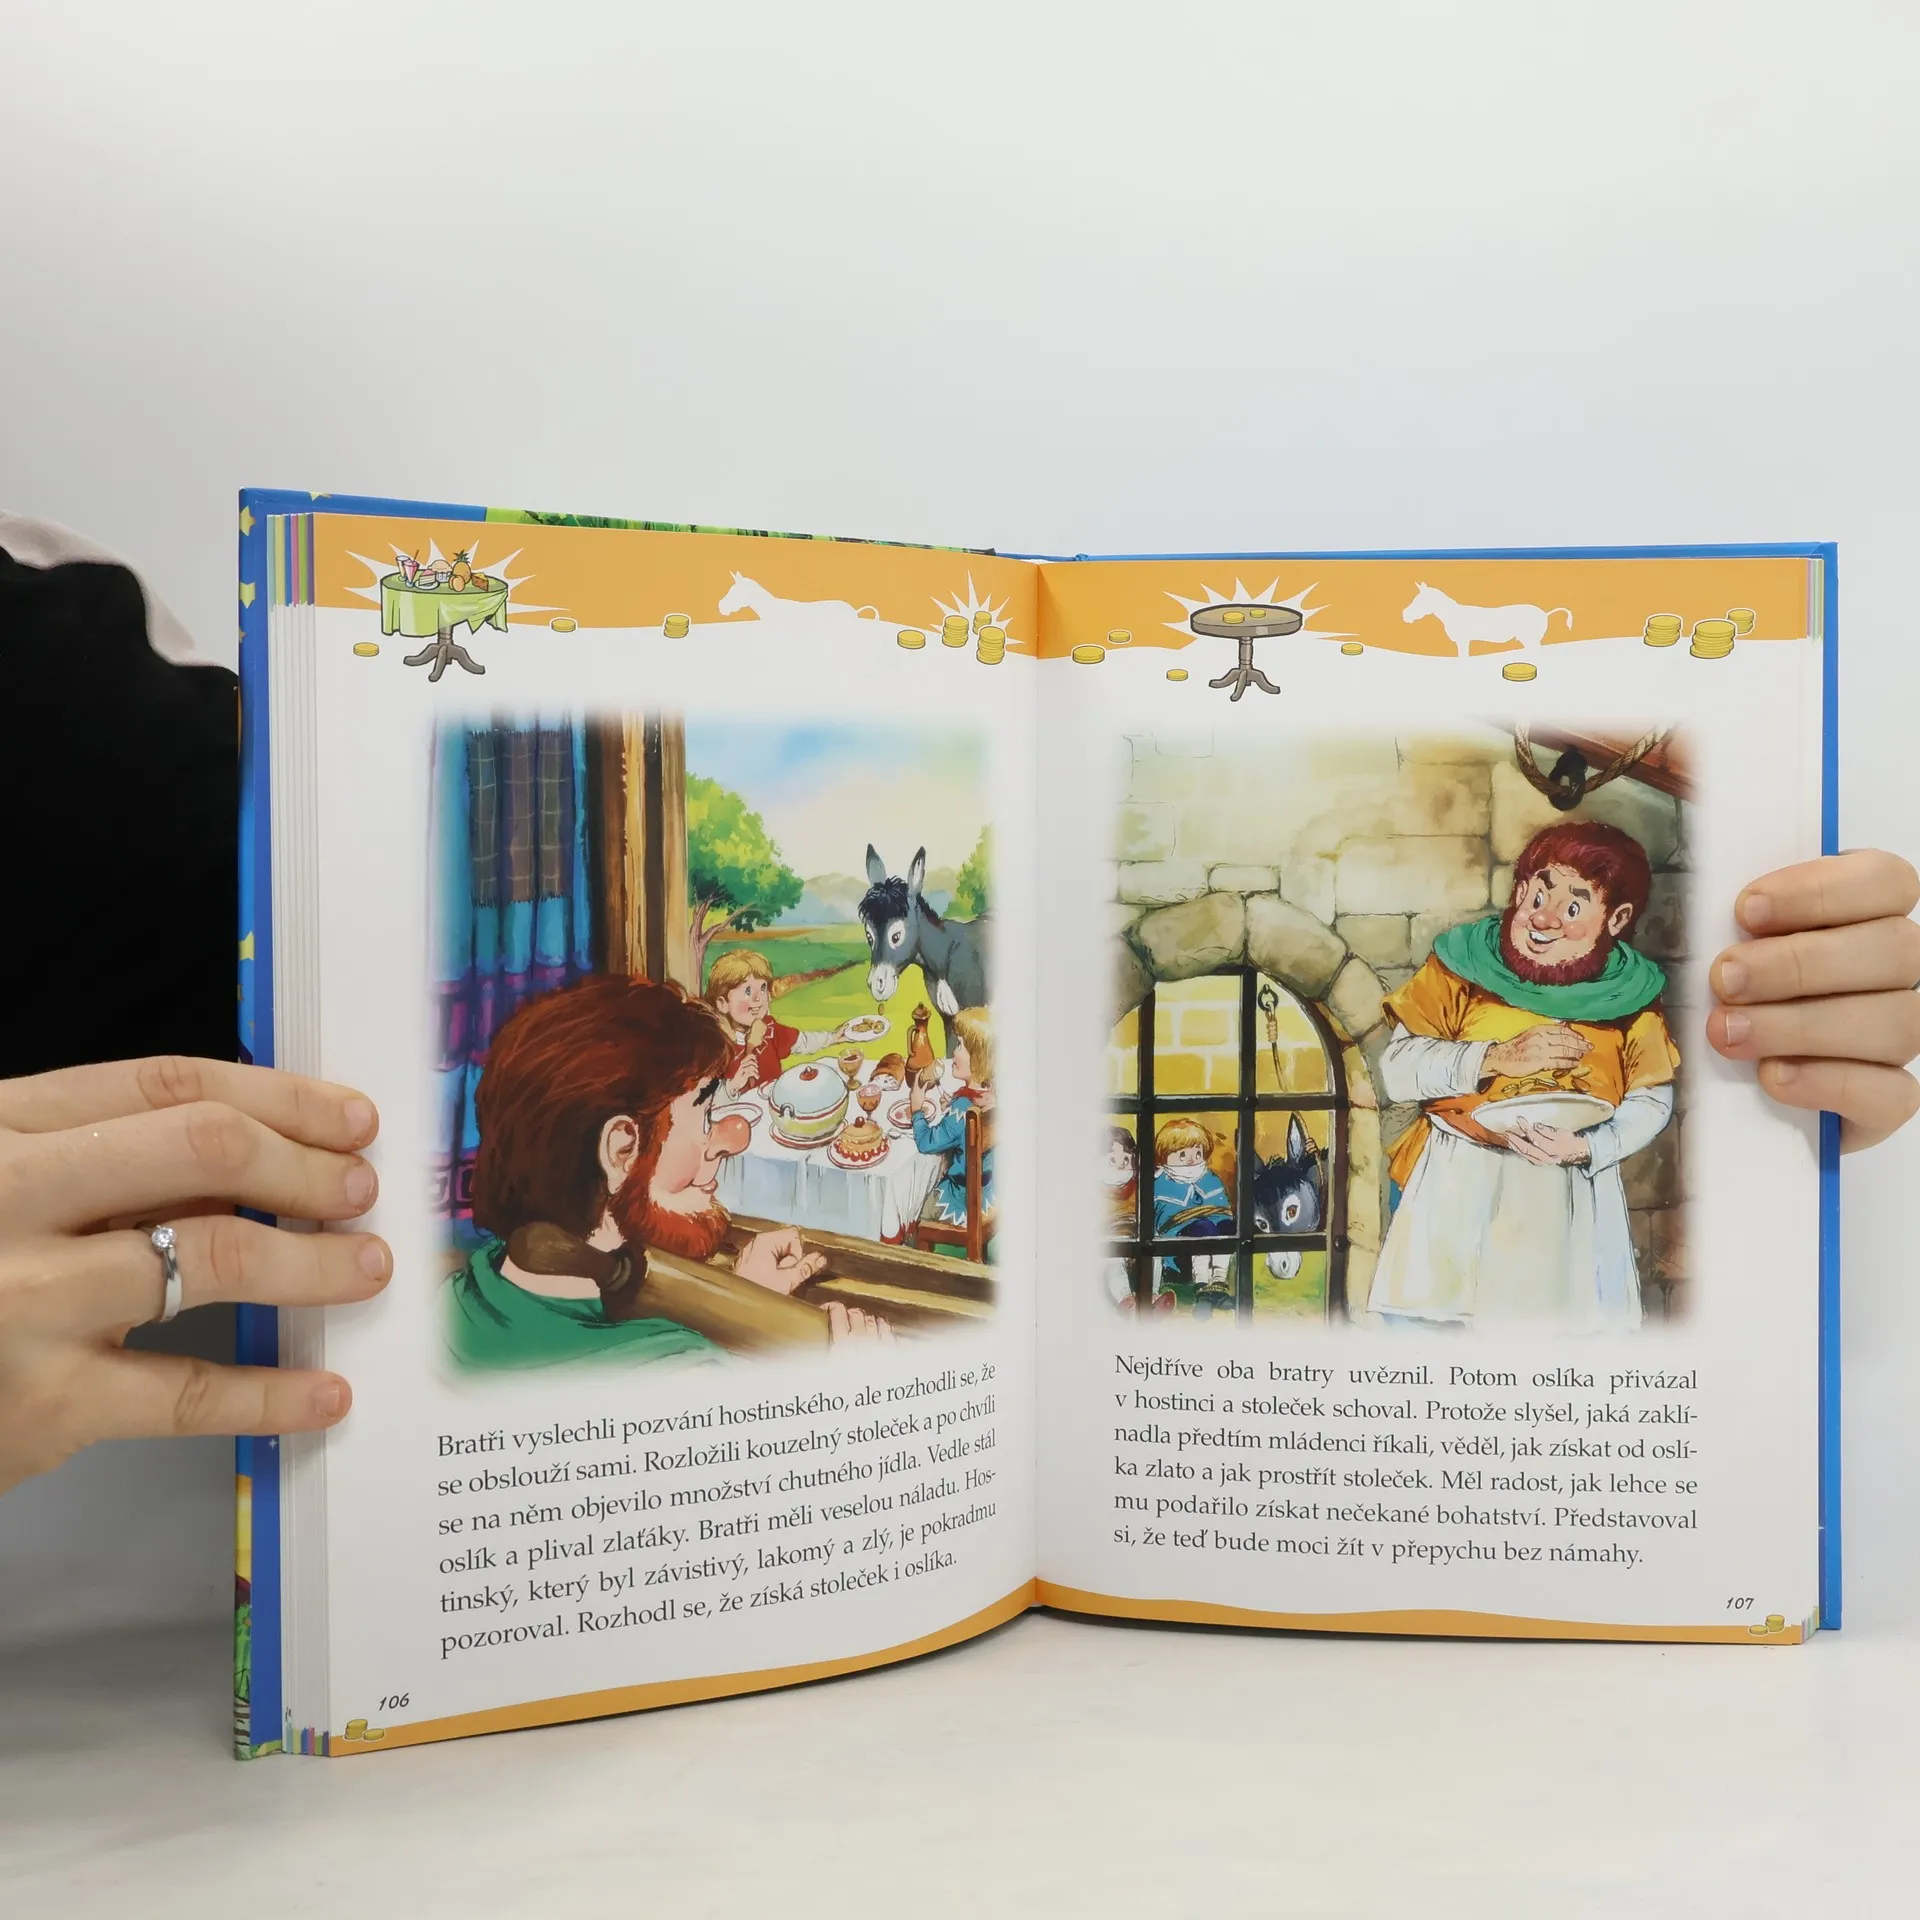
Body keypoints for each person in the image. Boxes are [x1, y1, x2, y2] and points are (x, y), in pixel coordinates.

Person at [2, 528, 1918, 1492]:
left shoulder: (131, 786)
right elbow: (1412, 1058)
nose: (1551, 913)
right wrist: (1474, 1084)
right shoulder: (1443, 980)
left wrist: (1775, 999)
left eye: (1583, 897)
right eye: (1538, 891)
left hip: (1553, 1234)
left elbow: (242, 935)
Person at [447, 974, 886, 1367]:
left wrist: (740, 1303)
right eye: (705, 1113)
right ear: (621, 1150)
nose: (724, 1143)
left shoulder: (458, 1301)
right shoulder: (683, 1369)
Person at [1367, 822, 1677, 1330]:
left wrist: (1587, 1148)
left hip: (1572, 1203)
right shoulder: (1462, 962)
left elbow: (1651, 1100)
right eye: (1537, 894)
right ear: (1519, 891)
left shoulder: (1632, 994)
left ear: (1616, 918)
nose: (1543, 919)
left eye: (1572, 908)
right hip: (1458, 1188)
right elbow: (1399, 1070)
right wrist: (1494, 1058)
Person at [704, 949, 867, 1097]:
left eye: (763, 988)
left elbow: (802, 1041)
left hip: (776, 1105)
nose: (758, 998)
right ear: (722, 1004)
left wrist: (832, 1037)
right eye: (748, 991)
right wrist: (732, 1086)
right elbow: (704, 1099)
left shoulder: (769, 1028)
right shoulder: (716, 1047)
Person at [908, 1005, 996, 1245]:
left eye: (959, 1045)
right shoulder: (991, 1095)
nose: (954, 1052)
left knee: (913, 1209)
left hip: (963, 1202)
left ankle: (913, 1257)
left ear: (977, 1059)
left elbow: (926, 1142)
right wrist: (952, 1104)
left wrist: (916, 1109)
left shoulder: (961, 1111)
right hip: (991, 1192)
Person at [1151, 1116, 1236, 1314]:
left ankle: (1218, 1282)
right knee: (1203, 1227)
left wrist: (1222, 1222)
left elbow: (1222, 1210)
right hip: (1178, 1253)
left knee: (1227, 1226)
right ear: (1165, 1155)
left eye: (1197, 1153)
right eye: (1182, 1155)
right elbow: (1161, 1221)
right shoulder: (1160, 1183)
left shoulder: (1210, 1178)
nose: (1191, 1160)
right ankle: (1202, 1286)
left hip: (1213, 1241)